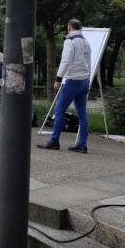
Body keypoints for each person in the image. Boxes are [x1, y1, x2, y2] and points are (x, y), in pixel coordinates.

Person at [37, 19, 92, 153]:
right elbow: (89, 61)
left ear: (69, 28)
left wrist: (58, 78)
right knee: (82, 113)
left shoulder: (70, 41)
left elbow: (66, 61)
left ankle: (54, 141)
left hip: (72, 80)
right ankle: (82, 144)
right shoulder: (86, 42)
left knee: (59, 110)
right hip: (84, 80)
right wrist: (88, 79)